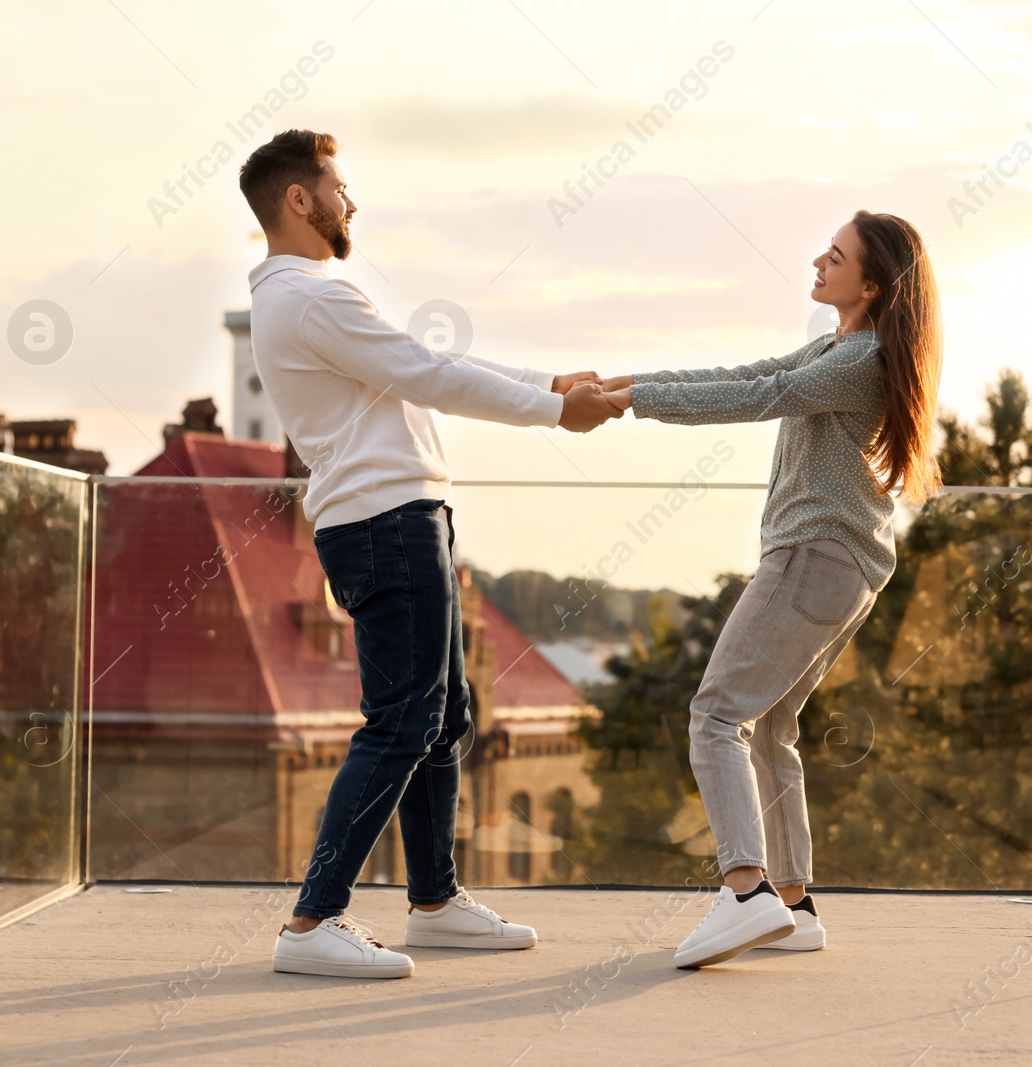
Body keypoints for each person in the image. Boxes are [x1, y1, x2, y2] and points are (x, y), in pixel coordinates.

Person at [237, 129, 621, 980]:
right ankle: (314, 918)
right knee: (403, 719)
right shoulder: (308, 298)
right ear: (299, 200)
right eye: (339, 185)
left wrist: (549, 382)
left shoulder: (309, 297)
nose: (352, 200)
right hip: (384, 522)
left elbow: (429, 363)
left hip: (402, 518)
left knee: (443, 718)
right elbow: (430, 374)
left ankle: (436, 904)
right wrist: (555, 414)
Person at [600, 211, 943, 968]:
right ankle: (792, 901)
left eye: (838, 254)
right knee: (773, 724)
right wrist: (623, 385)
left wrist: (632, 403)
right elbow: (749, 374)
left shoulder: (862, 359)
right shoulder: (843, 347)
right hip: (842, 569)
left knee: (716, 713)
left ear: (873, 283)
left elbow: (764, 396)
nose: (820, 259)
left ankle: (746, 892)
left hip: (810, 561)